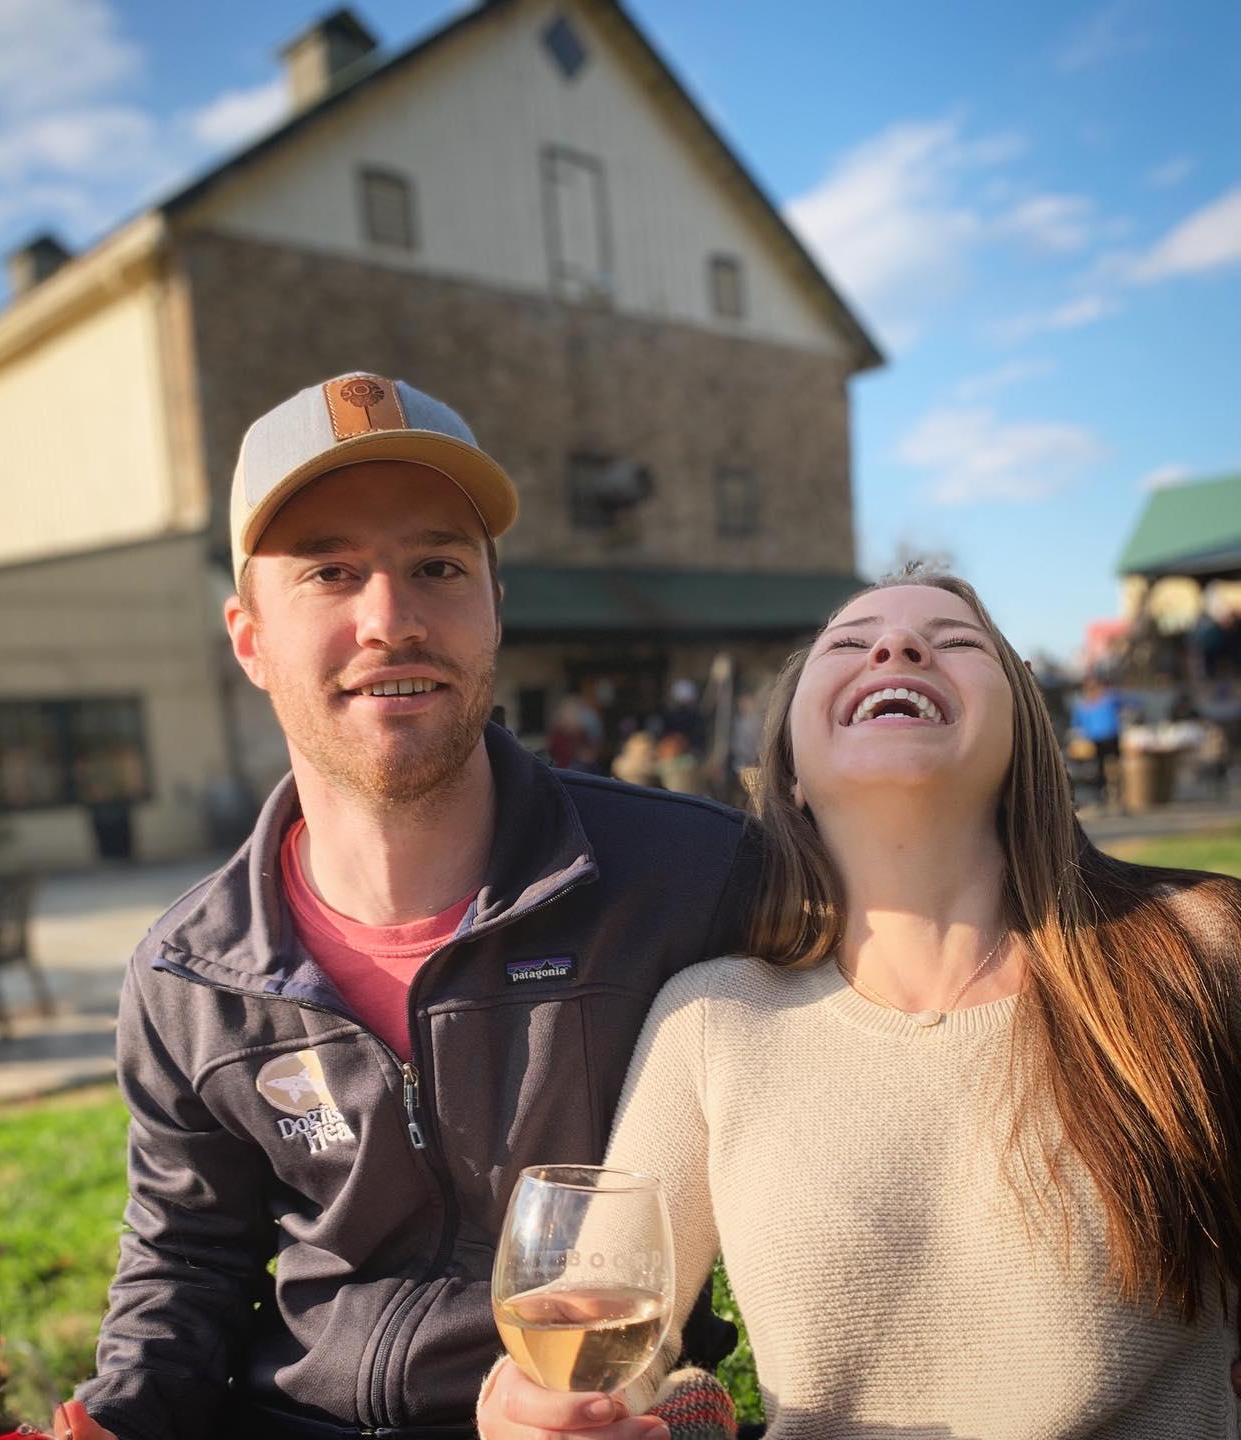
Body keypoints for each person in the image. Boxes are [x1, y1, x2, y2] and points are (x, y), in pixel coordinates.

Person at [73, 373, 762, 1440]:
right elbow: (186, 1264)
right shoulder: (187, 977)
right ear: (249, 639)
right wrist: (119, 1418)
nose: (390, 620)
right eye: (330, 572)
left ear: (495, 608)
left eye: (438, 567)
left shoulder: (692, 877)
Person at [483, 572, 1241, 1439]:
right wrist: (545, 1412)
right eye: (849, 643)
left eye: (955, 641)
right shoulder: (711, 1020)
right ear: (791, 773)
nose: (896, 647)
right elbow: (611, 1331)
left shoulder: (1201, 949)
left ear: (1023, 742)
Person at [1070, 673, 1125, 810]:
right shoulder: (1083, 705)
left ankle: (1116, 794)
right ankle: (1105, 795)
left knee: (1113, 766)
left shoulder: (1109, 698)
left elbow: (1128, 703)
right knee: (1100, 768)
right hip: (1096, 740)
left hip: (1110, 738)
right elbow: (1077, 724)